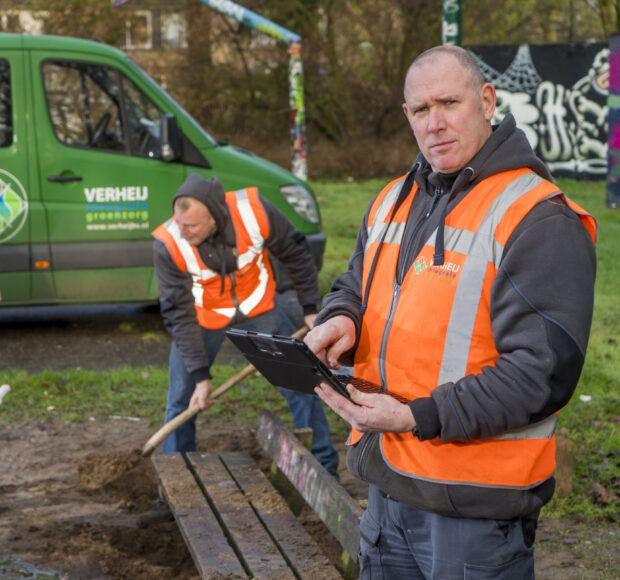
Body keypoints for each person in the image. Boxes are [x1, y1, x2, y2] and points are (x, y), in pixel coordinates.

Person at [305, 45, 597, 579]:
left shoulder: (536, 217)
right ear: (406, 117)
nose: (434, 123)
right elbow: (356, 282)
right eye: (420, 110)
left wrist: (417, 416)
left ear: (486, 101)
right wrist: (341, 316)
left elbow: (541, 373)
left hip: (473, 506)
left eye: (448, 103)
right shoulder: (395, 198)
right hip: (389, 483)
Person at [139, 173, 339, 527]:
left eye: (193, 225)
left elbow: (296, 250)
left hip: (258, 308)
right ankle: (172, 493)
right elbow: (178, 313)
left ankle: (325, 475)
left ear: (216, 215)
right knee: (181, 399)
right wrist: (200, 376)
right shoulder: (167, 242)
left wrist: (310, 308)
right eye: (180, 223)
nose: (183, 231)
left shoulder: (254, 211)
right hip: (202, 317)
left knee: (300, 382)